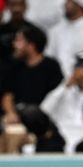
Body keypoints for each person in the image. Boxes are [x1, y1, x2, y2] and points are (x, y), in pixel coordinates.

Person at [0, 25, 63, 153]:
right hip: (19, 117)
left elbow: (57, 97)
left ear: (31, 45)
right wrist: (10, 113)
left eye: (19, 40)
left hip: (45, 118)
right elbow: (7, 96)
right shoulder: (13, 66)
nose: (14, 44)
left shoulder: (51, 67)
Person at [45, 0, 83, 77]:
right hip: (58, 80)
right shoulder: (55, 31)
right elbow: (49, 57)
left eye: (69, 2)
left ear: (80, 4)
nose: (65, 4)